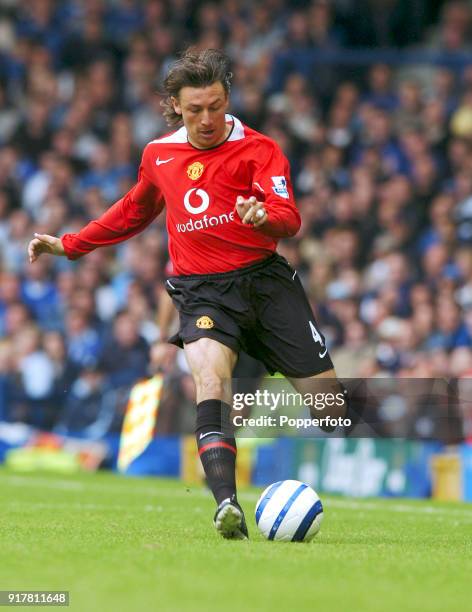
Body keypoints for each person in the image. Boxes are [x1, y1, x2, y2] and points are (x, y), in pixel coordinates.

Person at [28, 48, 349, 540]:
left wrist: (265, 215)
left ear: (228, 99)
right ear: (175, 105)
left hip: (265, 284)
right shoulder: (159, 156)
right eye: (195, 108)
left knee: (332, 410)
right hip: (202, 292)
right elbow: (134, 210)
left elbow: (290, 216)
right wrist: (71, 245)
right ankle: (227, 506)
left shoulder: (260, 150)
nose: (206, 119)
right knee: (211, 384)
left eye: (216, 106)